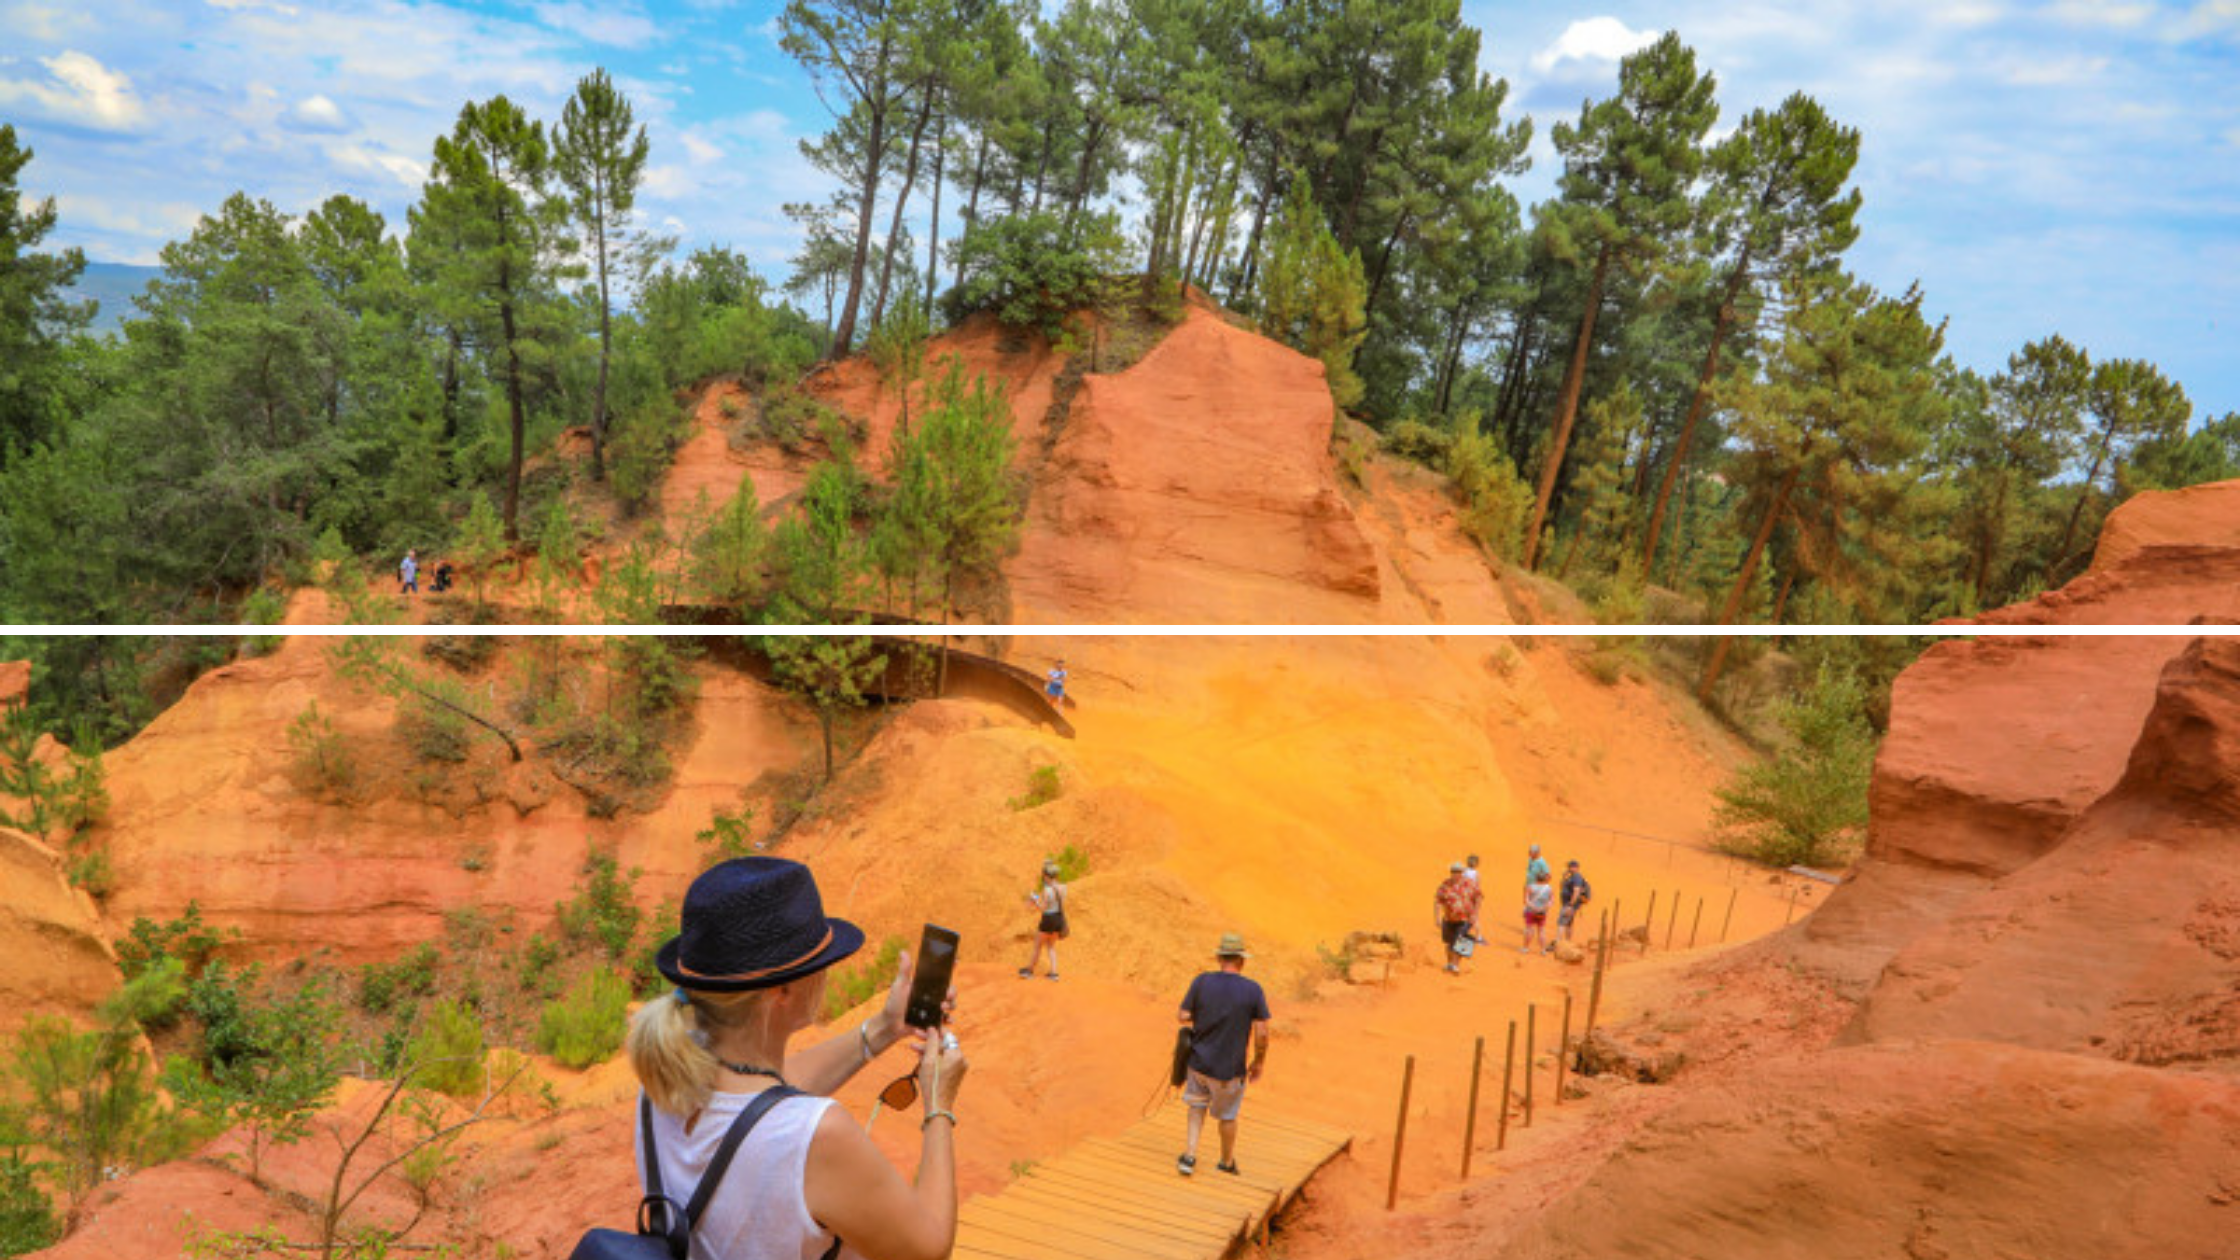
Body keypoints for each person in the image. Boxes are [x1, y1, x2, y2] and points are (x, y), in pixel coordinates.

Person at [627, 856, 966, 1260]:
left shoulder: (662, 1081)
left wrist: (885, 1027)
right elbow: (927, 1248)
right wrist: (938, 1106)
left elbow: (762, 1102)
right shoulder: (819, 1135)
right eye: (819, 963)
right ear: (781, 992)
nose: (826, 974)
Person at [1176, 933, 1270, 1178]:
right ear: (1242, 960)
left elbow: (1183, 1016)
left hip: (1198, 1062)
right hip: (1229, 1069)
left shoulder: (1202, 981)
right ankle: (1227, 1161)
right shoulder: (1253, 990)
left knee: (1196, 1107)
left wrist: (1206, 1015)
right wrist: (1258, 1062)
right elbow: (1262, 1033)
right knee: (1227, 1115)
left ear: (1219, 957)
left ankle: (1189, 1156)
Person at [1018, 860, 1067, 980]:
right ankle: (1054, 973)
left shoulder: (1047, 890)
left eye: (1043, 876)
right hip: (1059, 918)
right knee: (1051, 946)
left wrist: (1035, 901)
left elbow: (1043, 908)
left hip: (1048, 919)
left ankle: (1029, 971)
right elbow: (1057, 902)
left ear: (1046, 876)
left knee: (1038, 946)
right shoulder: (1063, 887)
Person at [1434, 862, 1481, 975]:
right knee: (1449, 943)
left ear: (1462, 873)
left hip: (1465, 918)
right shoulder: (1445, 885)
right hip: (1449, 918)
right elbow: (1438, 901)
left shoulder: (1470, 884)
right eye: (1453, 871)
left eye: (1458, 871)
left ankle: (1456, 965)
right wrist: (1437, 917)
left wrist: (1475, 914)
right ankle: (1450, 963)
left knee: (1460, 940)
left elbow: (1478, 898)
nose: (1455, 874)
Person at [1557, 859, 1592, 943]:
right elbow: (1561, 886)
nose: (1568, 868)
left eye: (1570, 867)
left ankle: (1558, 942)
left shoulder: (1576, 877)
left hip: (1569, 905)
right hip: (1570, 904)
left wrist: (1570, 905)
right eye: (1568, 866)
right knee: (1569, 923)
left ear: (1575, 867)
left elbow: (1576, 891)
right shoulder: (1571, 877)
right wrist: (1564, 876)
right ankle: (1567, 942)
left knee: (1561, 922)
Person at [1522, 870, 1556, 955]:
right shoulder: (1549, 888)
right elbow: (1551, 901)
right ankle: (1543, 950)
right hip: (1542, 913)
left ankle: (1526, 948)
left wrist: (1533, 907)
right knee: (1541, 931)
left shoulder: (1530, 887)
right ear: (1544, 879)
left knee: (1529, 929)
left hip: (1531, 912)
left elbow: (1526, 900)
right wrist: (1544, 908)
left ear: (1536, 878)